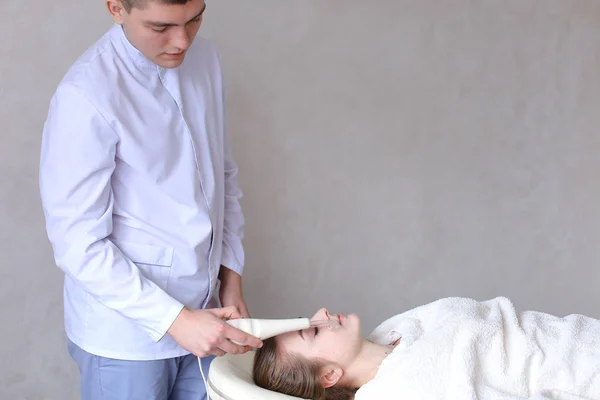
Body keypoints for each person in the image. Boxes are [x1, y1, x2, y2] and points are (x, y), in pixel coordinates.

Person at [38, 0, 262, 399]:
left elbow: (221, 174)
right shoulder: (84, 95)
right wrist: (176, 320)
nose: (181, 41)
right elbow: (78, 244)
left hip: (208, 314)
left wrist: (231, 277)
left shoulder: (205, 59)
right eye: (161, 27)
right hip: (126, 337)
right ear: (115, 8)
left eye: (194, 20)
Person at [253, 297, 600, 400]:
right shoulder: (399, 391)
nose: (322, 314)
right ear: (329, 375)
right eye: (312, 332)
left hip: (579, 337)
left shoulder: (394, 330)